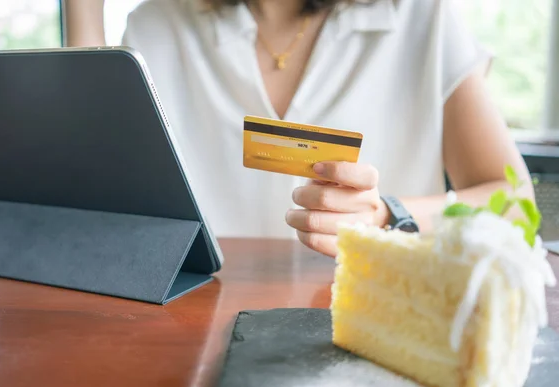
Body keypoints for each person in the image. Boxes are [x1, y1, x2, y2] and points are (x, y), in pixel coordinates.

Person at [63, 0, 534, 258]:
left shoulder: (422, 16)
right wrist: (82, 14)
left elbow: (514, 205)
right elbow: (91, 206)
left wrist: (388, 214)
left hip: (384, 325)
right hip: (200, 329)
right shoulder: (156, 24)